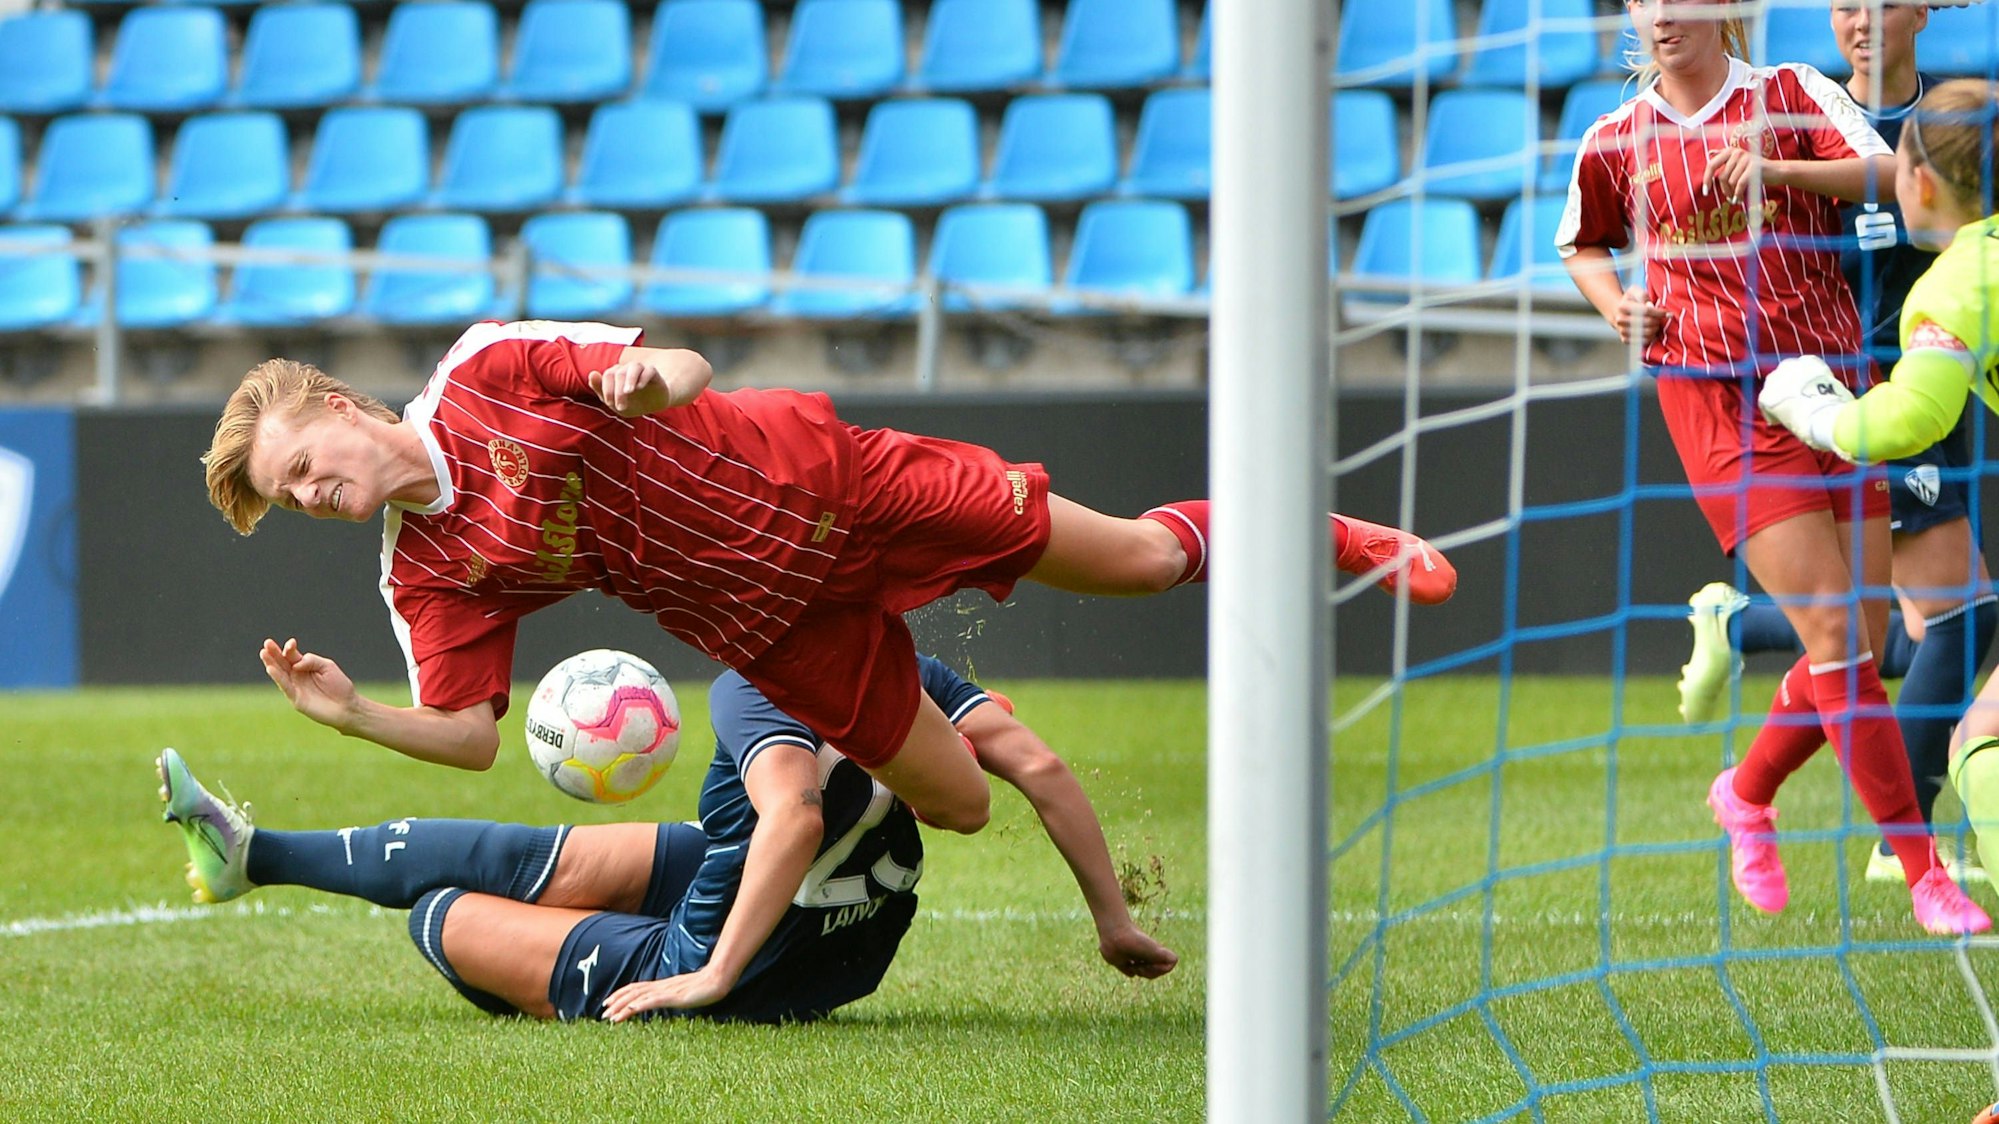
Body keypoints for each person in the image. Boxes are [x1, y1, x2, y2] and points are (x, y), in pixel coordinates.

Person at [199, 321, 1456, 836]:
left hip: (826, 483)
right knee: (959, 808)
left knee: (1138, 559)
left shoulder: (485, 368)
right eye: (292, 496)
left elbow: (683, 365)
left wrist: (645, 381)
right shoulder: (423, 573)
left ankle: (1341, 534)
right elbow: (472, 736)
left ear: (343, 407)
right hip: (764, 621)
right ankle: (933, 735)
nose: (311, 492)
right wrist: (353, 713)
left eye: (303, 463)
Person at [1557, 0, 1988, 933]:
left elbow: (1887, 170)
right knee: (1836, 633)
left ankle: (1745, 793)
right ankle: (1920, 870)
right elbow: (1582, 242)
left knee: (1860, 641)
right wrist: (1614, 304)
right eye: (1644, 1)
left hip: (1830, 383)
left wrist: (1772, 167)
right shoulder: (1613, 138)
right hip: (1715, 397)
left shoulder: (1791, 93)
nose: (1660, 16)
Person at [155, 655, 1177, 1021]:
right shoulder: (905, 664)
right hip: (854, 943)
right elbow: (1041, 769)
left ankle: (658, 963)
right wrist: (1111, 920)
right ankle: (252, 853)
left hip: (749, 952)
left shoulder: (751, 680)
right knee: (523, 856)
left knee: (441, 915)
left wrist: (711, 974)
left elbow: (794, 815)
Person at [1675, 0, 1996, 887]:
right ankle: (1903, 843)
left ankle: (1741, 628)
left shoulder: (1954, 126)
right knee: (1960, 617)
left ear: (1921, 13)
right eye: (1845, 4)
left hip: (1939, 383)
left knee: (1892, 628)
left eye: (1881, 4)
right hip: (1862, 396)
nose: (1861, 21)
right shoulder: (1802, 114)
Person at [1755, 78, 1999, 898]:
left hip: (1871, 410)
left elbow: (1903, 421)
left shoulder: (1955, 285)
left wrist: (1814, 411)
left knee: (1978, 741)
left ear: (1915, 181)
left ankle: (1734, 624)